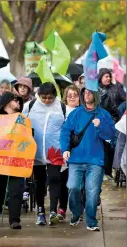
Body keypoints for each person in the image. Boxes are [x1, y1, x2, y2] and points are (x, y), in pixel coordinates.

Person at [60, 88, 115, 231]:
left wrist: (100, 126)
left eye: (90, 92)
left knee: (92, 191)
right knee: (73, 187)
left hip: (96, 160)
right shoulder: (76, 113)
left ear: (96, 95)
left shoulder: (104, 114)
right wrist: (65, 149)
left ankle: (91, 221)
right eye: (85, 93)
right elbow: (65, 131)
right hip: (76, 159)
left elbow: (110, 136)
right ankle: (76, 212)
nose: (87, 95)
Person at [23, 83, 66, 226]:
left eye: (50, 98)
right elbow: (21, 125)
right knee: (39, 182)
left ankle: (53, 210)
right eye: (44, 97)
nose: (47, 100)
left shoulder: (61, 107)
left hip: (55, 151)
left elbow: (66, 128)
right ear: (38, 95)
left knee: (55, 179)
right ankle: (41, 211)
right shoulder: (30, 106)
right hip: (35, 150)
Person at [0, 92, 24, 229]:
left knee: (16, 190)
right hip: (0, 160)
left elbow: (30, 136)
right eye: (15, 100)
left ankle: (14, 219)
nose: (19, 102)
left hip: (17, 161)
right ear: (7, 102)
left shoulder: (23, 120)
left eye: (19, 101)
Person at [57, 85, 80, 220]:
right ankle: (62, 208)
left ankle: (78, 207)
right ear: (65, 97)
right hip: (65, 150)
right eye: (69, 95)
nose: (72, 97)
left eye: (75, 95)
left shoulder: (83, 111)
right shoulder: (61, 110)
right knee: (63, 180)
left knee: (78, 182)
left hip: (79, 150)